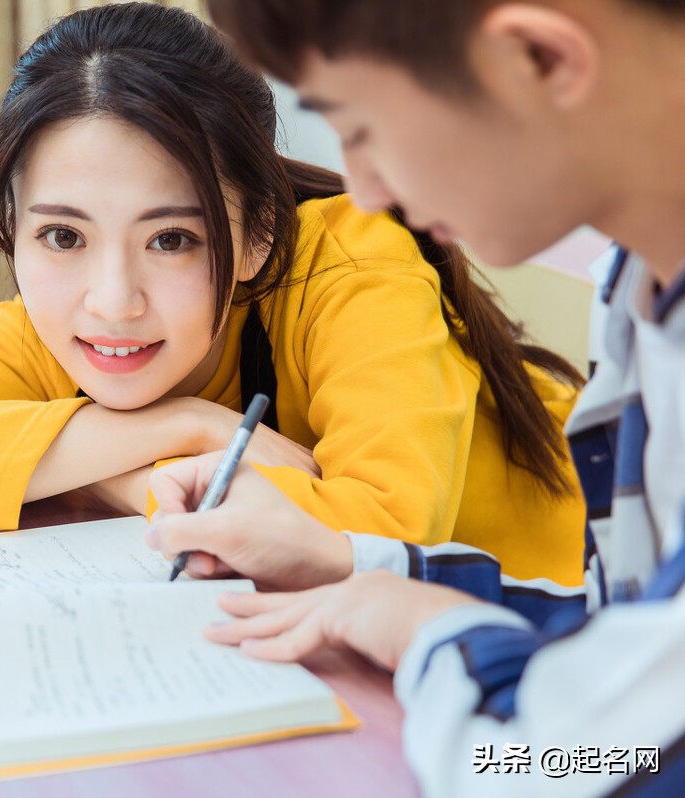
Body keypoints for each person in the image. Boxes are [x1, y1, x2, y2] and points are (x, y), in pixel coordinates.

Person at [0, 2, 587, 585]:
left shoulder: (351, 265)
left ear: (258, 234)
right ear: (14, 228)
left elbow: (384, 535)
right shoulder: (44, 332)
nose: (112, 302)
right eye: (63, 236)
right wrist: (182, 428)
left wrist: (92, 467)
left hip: (577, 617)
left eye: (171, 239)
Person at [147, 0, 685, 793]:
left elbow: (547, 768)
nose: (364, 190)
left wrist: (432, 628)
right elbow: (630, 639)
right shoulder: (640, 287)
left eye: (360, 128)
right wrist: (366, 572)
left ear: (538, 59)